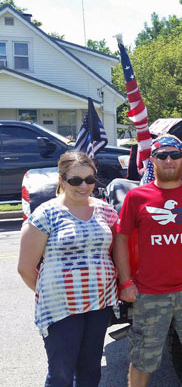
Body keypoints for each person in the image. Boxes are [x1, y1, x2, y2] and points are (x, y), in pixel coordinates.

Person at [113, 135, 182, 387]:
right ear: (153, 160)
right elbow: (121, 239)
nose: (169, 160)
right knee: (143, 357)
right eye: (162, 155)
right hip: (150, 294)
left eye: (174, 155)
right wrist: (125, 282)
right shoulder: (137, 197)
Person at [18, 151, 118, 387]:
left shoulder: (105, 211)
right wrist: (53, 292)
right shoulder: (46, 214)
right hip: (60, 308)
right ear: (62, 180)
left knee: (90, 370)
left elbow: (118, 252)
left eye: (89, 180)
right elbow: (25, 268)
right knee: (61, 373)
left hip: (99, 304)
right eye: (75, 180)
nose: (84, 186)